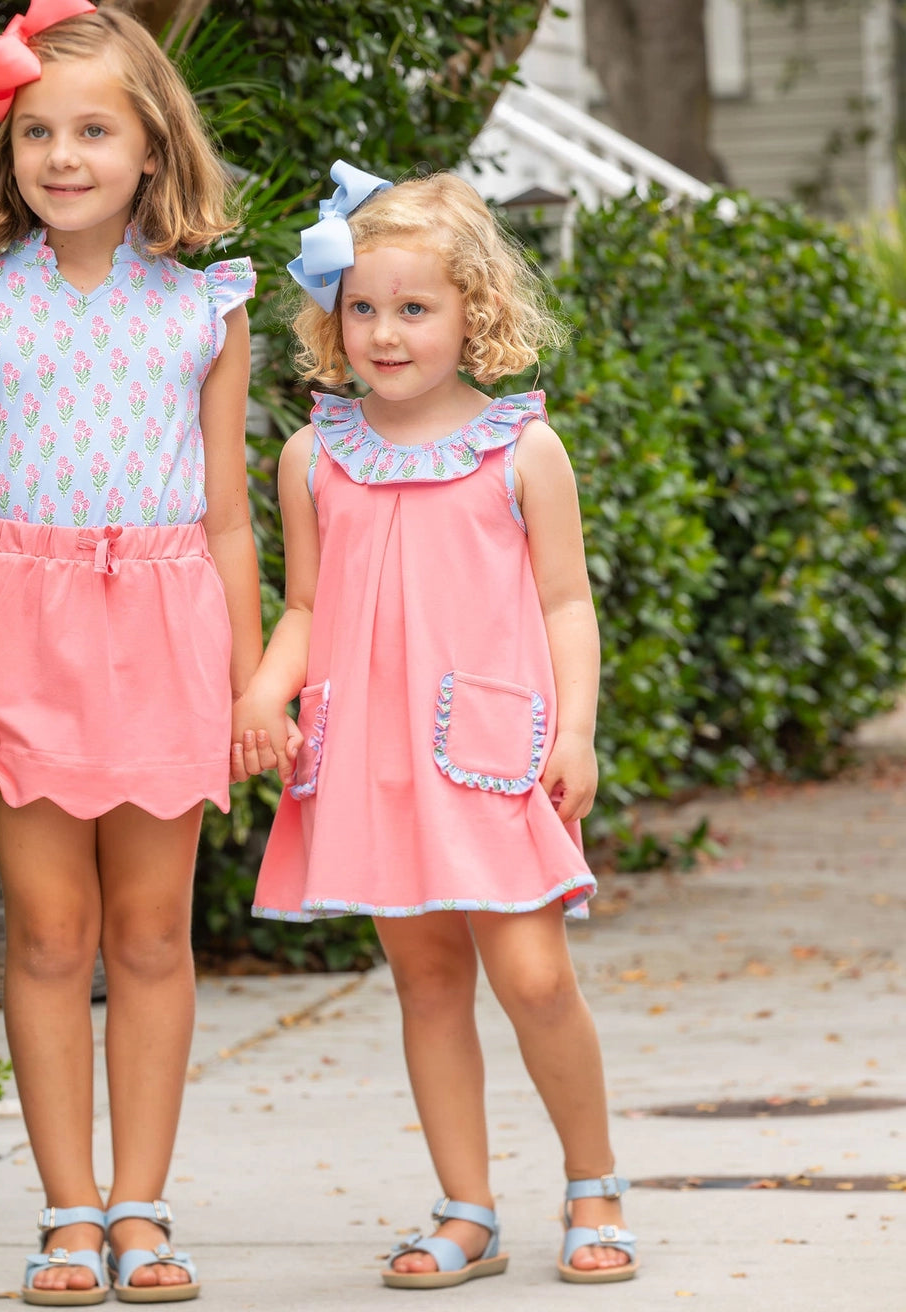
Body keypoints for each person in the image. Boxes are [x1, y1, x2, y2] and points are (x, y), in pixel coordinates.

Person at [0, 3, 259, 1302]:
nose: (64, 155)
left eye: (95, 129)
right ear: (5, 153)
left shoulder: (207, 310)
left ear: (152, 148)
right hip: (18, 635)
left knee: (154, 931)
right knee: (52, 934)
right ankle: (67, 1213)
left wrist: (250, 681)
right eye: (37, 131)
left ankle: (143, 1211)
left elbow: (226, 513)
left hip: (168, 629)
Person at [234, 162, 638, 1288]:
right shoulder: (314, 456)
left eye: (414, 308)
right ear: (332, 317)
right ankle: (467, 1207)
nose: (385, 332)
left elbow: (566, 601)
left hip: (493, 757)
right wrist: (266, 689)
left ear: (475, 312)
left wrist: (577, 733)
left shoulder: (520, 449)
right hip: (371, 758)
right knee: (424, 981)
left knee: (535, 976)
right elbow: (306, 607)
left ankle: (592, 1180)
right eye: (361, 307)